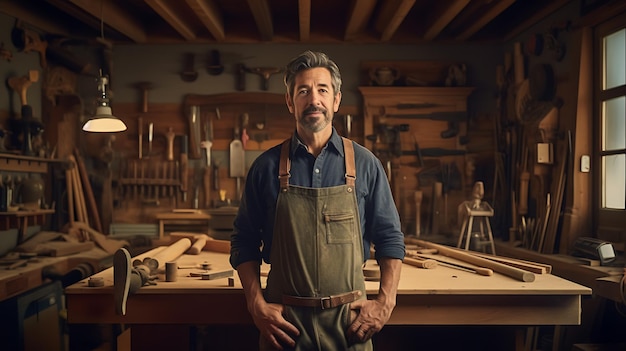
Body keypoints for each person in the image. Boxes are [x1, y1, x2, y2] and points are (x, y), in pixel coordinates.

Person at [230, 50, 405, 351]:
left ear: (336, 100)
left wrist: (385, 303)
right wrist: (255, 304)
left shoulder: (365, 165)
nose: (314, 100)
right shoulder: (266, 168)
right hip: (284, 328)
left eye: (323, 90)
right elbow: (243, 241)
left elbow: (390, 238)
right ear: (289, 102)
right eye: (303, 91)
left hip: (350, 327)